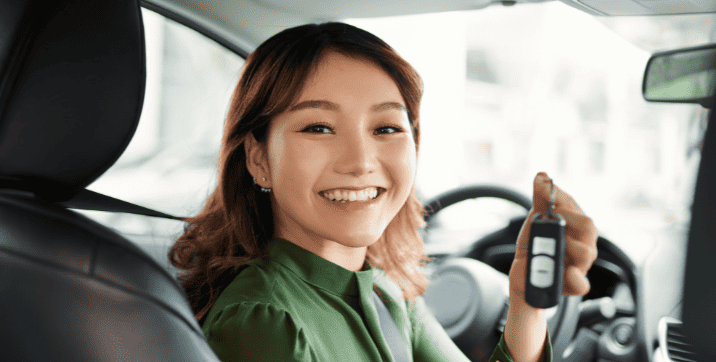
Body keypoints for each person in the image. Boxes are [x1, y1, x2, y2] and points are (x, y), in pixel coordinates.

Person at [168, 22, 598, 362]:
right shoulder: (262, 320)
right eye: (319, 127)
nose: (359, 161)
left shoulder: (383, 293)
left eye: (387, 128)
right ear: (259, 159)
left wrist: (525, 302)